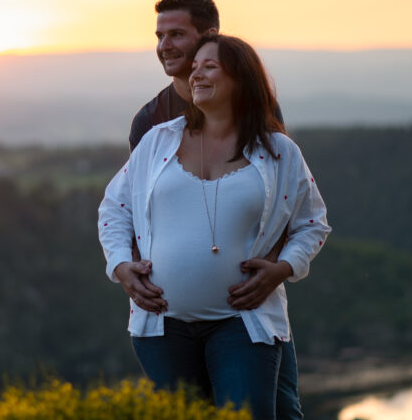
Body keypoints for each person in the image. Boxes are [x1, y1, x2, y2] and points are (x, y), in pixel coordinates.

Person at [98, 33, 330, 419]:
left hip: (243, 322)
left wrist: (284, 269)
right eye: (195, 68)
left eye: (210, 67)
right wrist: (121, 267)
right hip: (161, 328)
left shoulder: (278, 151)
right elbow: (114, 209)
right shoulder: (158, 141)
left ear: (241, 78)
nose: (196, 75)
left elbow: (312, 223)